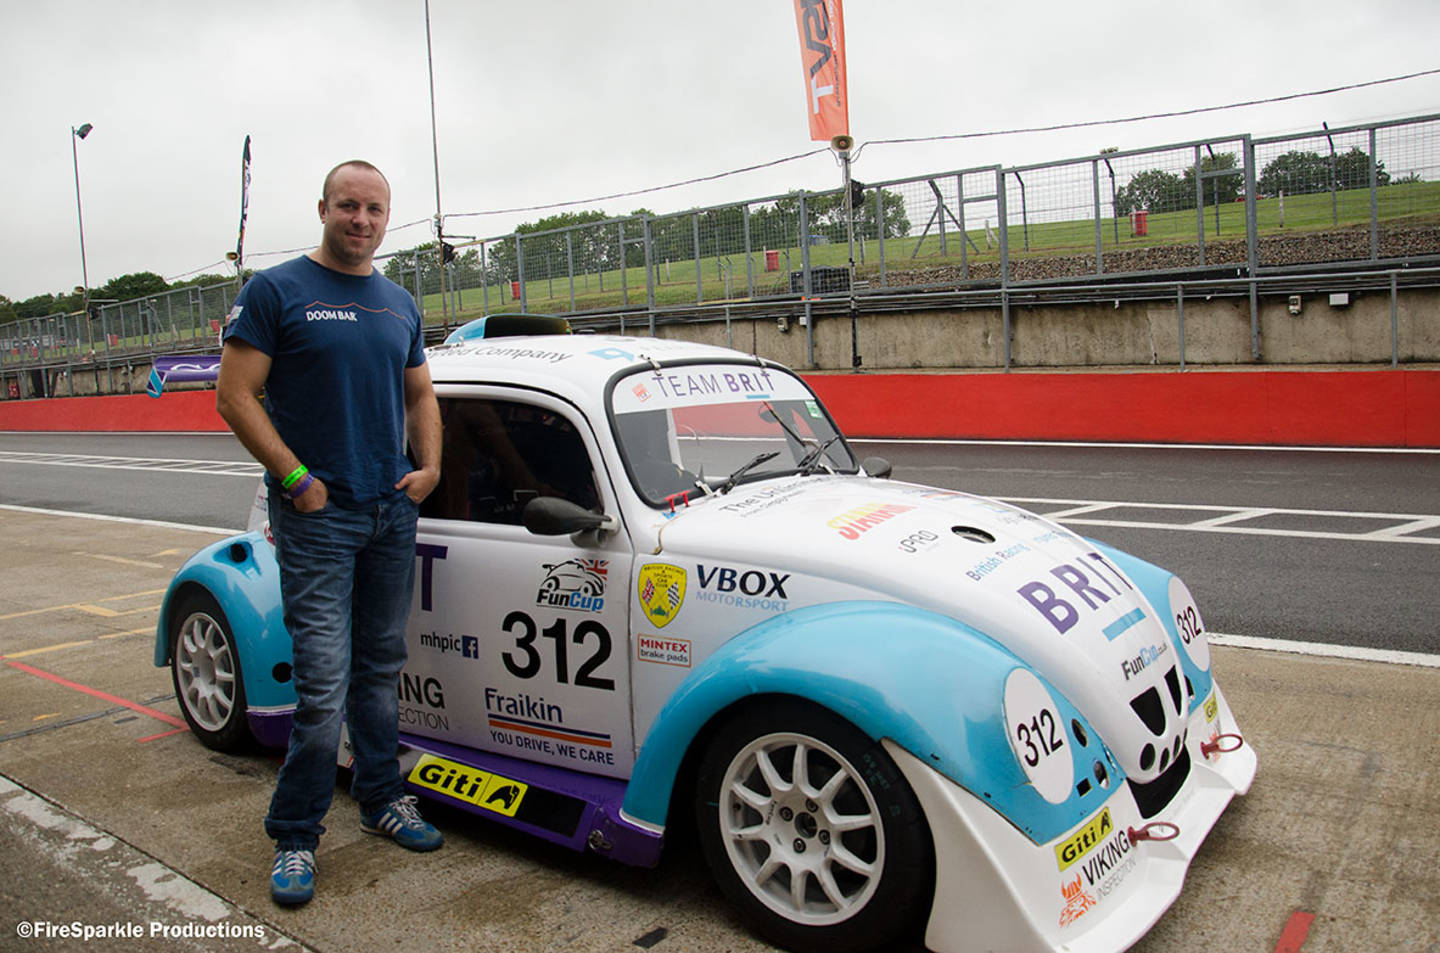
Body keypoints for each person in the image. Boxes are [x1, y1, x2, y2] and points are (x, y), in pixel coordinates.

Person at [215, 159, 444, 906]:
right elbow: (234, 393)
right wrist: (293, 477)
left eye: (375, 208)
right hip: (318, 517)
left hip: (389, 511)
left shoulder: (398, 302)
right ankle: (294, 834)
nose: (362, 219)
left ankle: (381, 798)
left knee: (380, 670)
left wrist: (430, 467)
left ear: (386, 216)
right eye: (349, 205)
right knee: (323, 686)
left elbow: (420, 393)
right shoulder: (277, 290)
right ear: (323, 207)